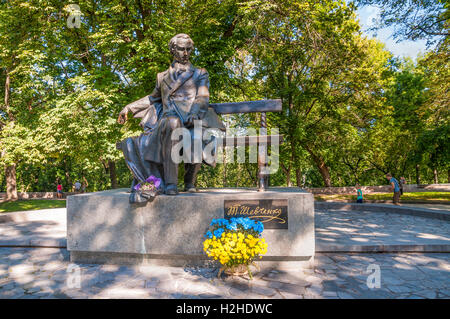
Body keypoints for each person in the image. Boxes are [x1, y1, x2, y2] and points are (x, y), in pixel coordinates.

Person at [117, 33, 225, 202]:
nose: (186, 53)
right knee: (172, 123)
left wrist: (194, 113)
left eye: (189, 49)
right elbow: (152, 98)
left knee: (194, 133)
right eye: (182, 49)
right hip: (167, 122)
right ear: (173, 50)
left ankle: (186, 182)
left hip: (191, 120)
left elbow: (203, 98)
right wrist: (129, 108)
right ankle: (171, 184)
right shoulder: (162, 77)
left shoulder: (200, 73)